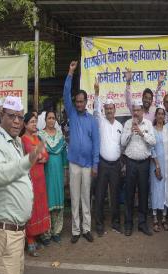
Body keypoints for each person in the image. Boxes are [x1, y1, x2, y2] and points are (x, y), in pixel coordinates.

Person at [0, 96, 45, 274]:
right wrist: (28, 160)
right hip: (4, 235)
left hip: (15, 234)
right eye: (12, 116)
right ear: (2, 115)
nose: (17, 121)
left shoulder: (14, 142)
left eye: (20, 117)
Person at [63, 60, 100, 244]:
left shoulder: (92, 120)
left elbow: (96, 143)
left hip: (87, 165)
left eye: (81, 101)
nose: (78, 104)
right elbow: (65, 95)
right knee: (75, 198)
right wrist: (70, 73)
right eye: (76, 101)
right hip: (74, 163)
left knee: (86, 198)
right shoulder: (71, 113)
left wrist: (95, 164)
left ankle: (86, 229)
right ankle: (76, 231)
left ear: (86, 102)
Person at [93, 80, 123, 236]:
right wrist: (97, 93)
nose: (109, 110)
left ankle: (116, 223)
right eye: (107, 108)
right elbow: (96, 110)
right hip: (103, 164)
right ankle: (99, 225)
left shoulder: (119, 125)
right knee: (100, 195)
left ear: (115, 109)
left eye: (111, 108)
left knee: (115, 195)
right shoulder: (100, 122)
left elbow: (122, 145)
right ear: (104, 110)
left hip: (116, 165)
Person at [121, 100, 156, 236]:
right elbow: (122, 143)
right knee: (129, 194)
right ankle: (128, 224)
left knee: (143, 194)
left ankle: (142, 224)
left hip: (144, 164)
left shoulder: (147, 124)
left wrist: (142, 133)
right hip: (130, 163)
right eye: (133, 110)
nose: (135, 113)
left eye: (137, 110)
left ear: (142, 111)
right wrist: (131, 132)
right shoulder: (127, 124)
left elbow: (153, 142)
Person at [21, 113, 51, 256]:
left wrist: (39, 156)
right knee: (31, 207)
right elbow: (32, 155)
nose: (34, 124)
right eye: (32, 122)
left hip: (40, 177)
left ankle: (36, 236)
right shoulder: (23, 140)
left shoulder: (38, 138)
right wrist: (39, 156)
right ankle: (30, 240)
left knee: (40, 206)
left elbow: (45, 156)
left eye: (35, 122)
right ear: (25, 124)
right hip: (30, 177)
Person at [39, 110, 68, 244]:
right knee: (47, 201)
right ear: (45, 119)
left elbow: (63, 157)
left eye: (53, 118)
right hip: (46, 172)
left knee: (58, 200)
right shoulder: (40, 136)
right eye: (49, 118)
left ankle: (56, 231)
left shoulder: (60, 137)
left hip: (58, 172)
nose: (51, 120)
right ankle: (46, 233)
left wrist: (65, 173)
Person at [150, 107, 168, 232]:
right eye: (159, 114)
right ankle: (155, 218)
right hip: (156, 165)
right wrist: (157, 166)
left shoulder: (167, 128)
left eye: (163, 114)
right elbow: (151, 148)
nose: (161, 116)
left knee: (166, 189)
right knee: (156, 190)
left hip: (167, 166)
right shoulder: (152, 130)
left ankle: (164, 218)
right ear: (155, 116)